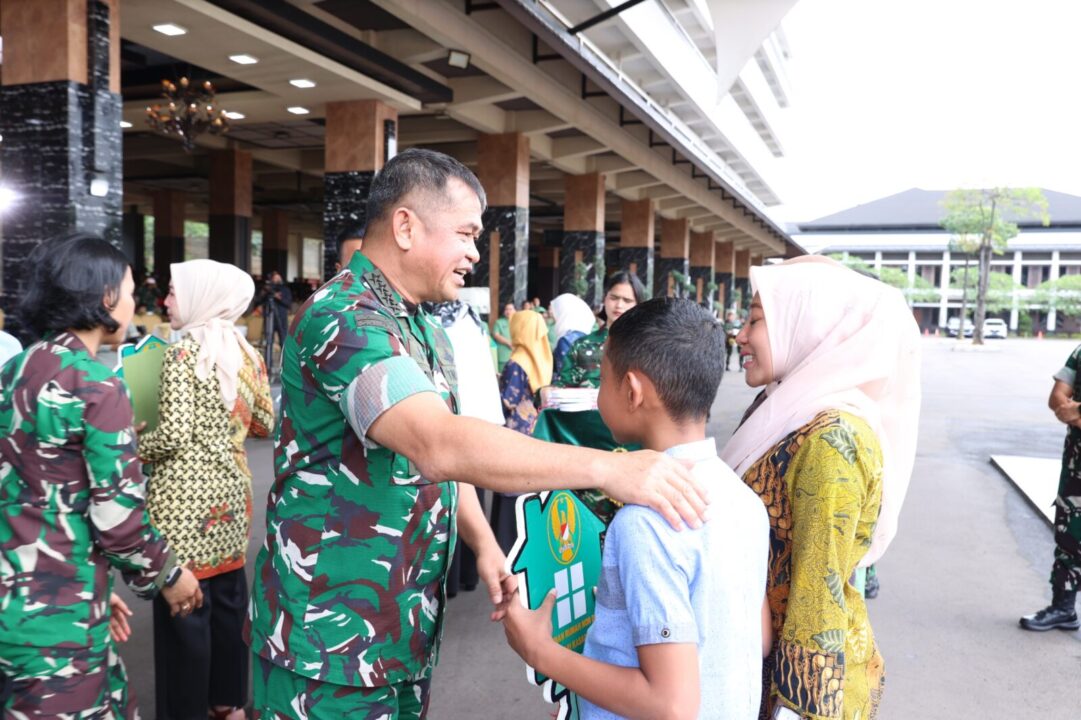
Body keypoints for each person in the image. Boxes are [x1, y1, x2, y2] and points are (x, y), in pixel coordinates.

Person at [245, 148, 707, 719]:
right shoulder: (342, 317)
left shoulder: (423, 330)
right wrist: (609, 467)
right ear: (406, 226)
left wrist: (486, 546)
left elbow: (444, 459)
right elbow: (436, 444)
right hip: (324, 645)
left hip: (398, 633)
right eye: (465, 234)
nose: (473, 254)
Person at [502, 298, 770, 719]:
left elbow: (670, 704)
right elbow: (757, 636)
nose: (596, 394)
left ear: (632, 390)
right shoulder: (743, 499)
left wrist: (539, 651)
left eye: (602, 380)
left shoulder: (645, 522)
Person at [0, 234, 202, 718]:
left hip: (24, 602)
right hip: (56, 619)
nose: (135, 303)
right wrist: (170, 575)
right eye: (131, 291)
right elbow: (119, 522)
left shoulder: (16, 370)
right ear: (106, 297)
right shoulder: (97, 384)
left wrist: (97, 589)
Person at [721, 256, 921, 720]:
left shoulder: (832, 440)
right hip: (757, 658)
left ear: (808, 327)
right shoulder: (786, 410)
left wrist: (795, 710)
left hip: (795, 690)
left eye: (755, 319)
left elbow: (819, 593)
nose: (741, 335)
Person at [138, 259, 274, 720]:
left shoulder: (180, 356)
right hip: (232, 505)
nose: (167, 300)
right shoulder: (247, 355)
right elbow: (265, 424)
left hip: (181, 510)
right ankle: (229, 703)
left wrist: (134, 443)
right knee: (227, 608)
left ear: (203, 297)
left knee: (184, 617)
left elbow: (172, 436)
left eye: (175, 292)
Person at [1019, 344, 1081, 631]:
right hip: (1076, 465)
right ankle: (1063, 608)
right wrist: (1067, 409)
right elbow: (1057, 396)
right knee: (1069, 533)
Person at [555, 271, 646, 388]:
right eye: (614, 298)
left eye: (627, 301)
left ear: (637, 305)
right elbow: (564, 385)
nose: (619, 305)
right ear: (605, 298)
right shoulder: (582, 345)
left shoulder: (646, 347)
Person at [499, 309, 553, 436]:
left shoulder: (517, 361)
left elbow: (510, 400)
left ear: (519, 329)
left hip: (515, 428)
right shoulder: (542, 357)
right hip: (534, 424)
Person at [549, 293, 596, 378]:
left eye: (556, 310)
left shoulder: (566, 340)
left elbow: (565, 375)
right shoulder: (585, 336)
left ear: (564, 312)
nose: (551, 313)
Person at [258, 270, 292, 354]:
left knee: (283, 340)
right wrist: (264, 292)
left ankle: (283, 362)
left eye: (278, 277)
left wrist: (278, 297)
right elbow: (258, 300)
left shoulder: (285, 290)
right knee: (268, 341)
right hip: (270, 318)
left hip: (281, 319)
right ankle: (268, 362)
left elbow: (288, 303)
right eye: (275, 278)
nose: (278, 279)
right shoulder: (267, 290)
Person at [492, 301, 515, 373]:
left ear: (515, 310)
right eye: (506, 309)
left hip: (516, 355)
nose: (508, 311)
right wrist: (508, 343)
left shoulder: (518, 322)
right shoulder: (499, 322)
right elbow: (496, 335)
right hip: (503, 355)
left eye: (510, 309)